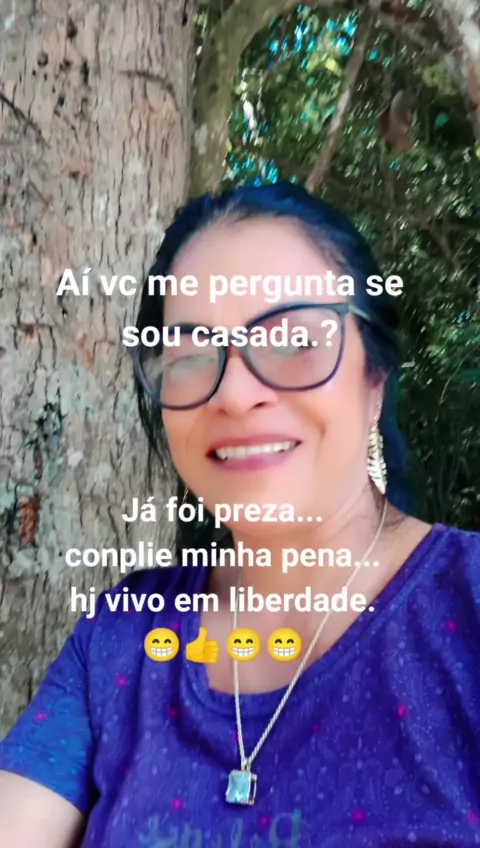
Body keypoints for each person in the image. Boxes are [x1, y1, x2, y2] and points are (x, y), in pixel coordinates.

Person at [0, 182, 479, 848]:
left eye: (294, 340)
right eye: (191, 357)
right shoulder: (121, 636)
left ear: (375, 380)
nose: (233, 393)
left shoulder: (465, 606)